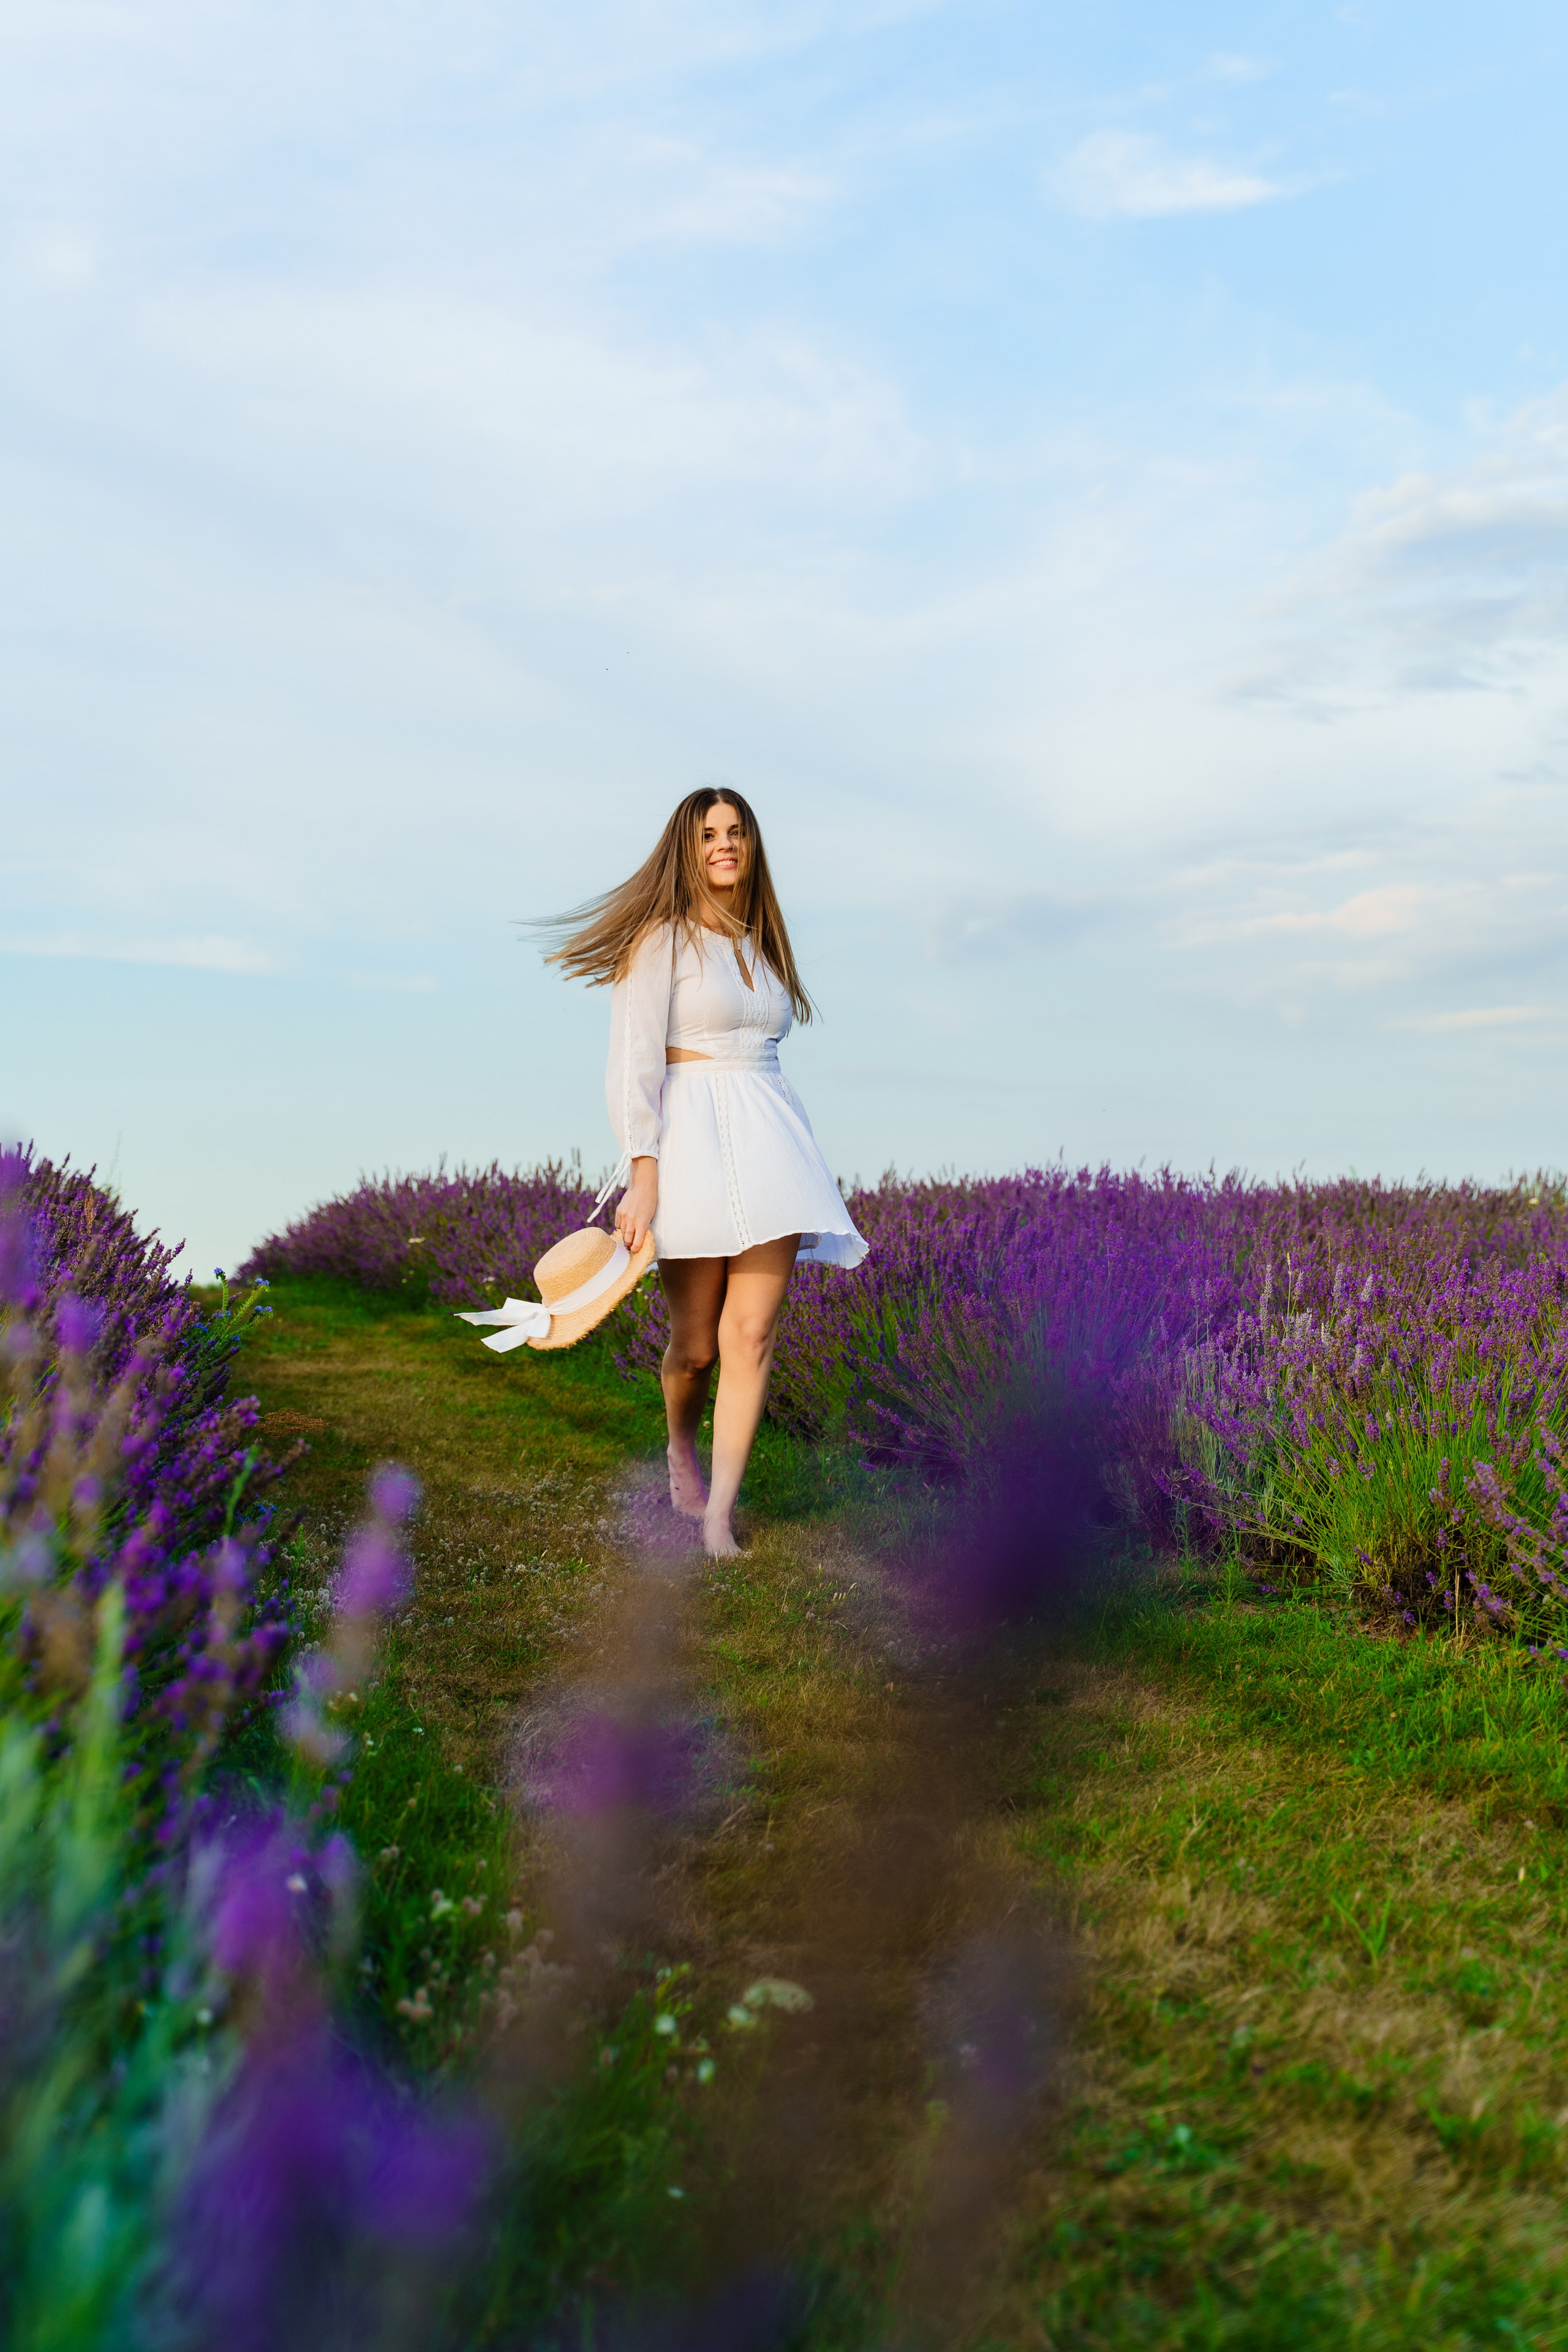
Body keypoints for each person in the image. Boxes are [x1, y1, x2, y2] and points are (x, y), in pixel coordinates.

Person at [546, 789, 867, 1555]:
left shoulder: (763, 946)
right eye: (708, 835)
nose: (724, 845)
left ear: (751, 846)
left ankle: (720, 1515)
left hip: (772, 1142)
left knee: (751, 1332)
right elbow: (631, 1067)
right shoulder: (660, 942)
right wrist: (643, 1172)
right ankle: (679, 1447)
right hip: (688, 1141)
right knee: (695, 1347)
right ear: (685, 850)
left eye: (736, 833)